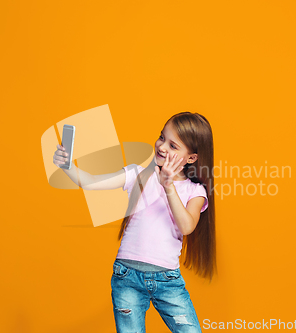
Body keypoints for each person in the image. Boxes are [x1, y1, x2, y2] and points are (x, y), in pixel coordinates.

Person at [53, 112, 216, 333]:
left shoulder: (195, 191)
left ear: (191, 158)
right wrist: (68, 167)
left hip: (168, 281)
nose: (162, 147)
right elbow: (91, 182)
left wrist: (168, 186)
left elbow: (187, 226)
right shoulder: (138, 175)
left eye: (173, 146)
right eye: (162, 137)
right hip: (126, 276)